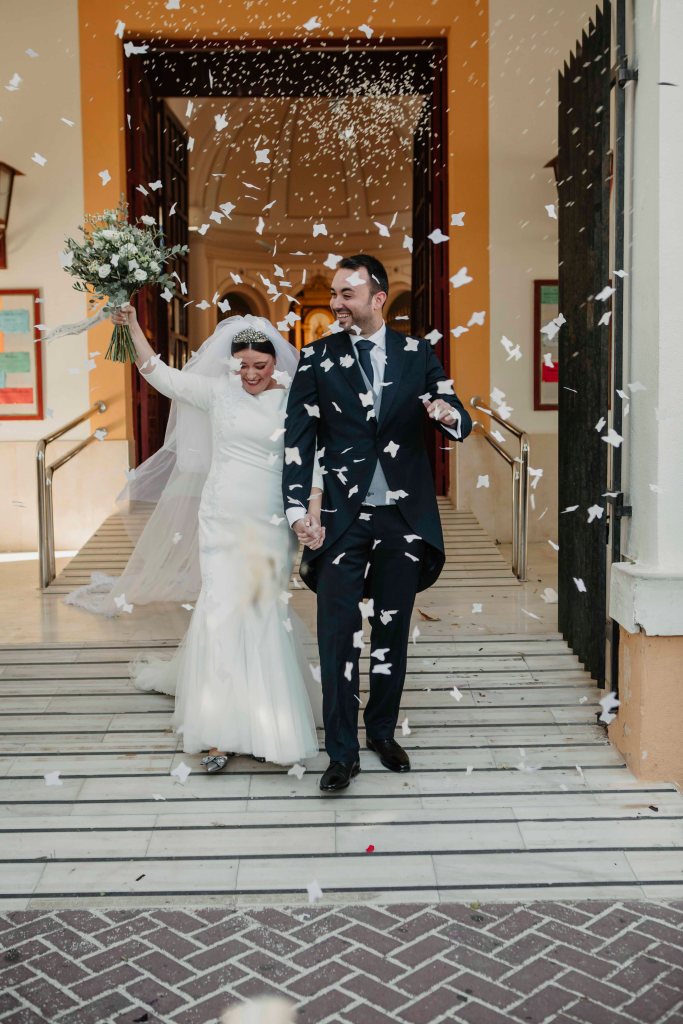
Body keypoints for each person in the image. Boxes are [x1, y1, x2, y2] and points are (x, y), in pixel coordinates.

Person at [100, 305, 325, 771]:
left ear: (276, 362)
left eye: (260, 365)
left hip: (270, 521)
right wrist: (133, 326)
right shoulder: (218, 392)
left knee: (262, 610)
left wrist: (312, 513)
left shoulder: (294, 398)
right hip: (221, 516)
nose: (250, 374)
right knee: (221, 612)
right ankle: (218, 732)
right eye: (242, 365)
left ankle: (270, 725)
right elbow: (158, 374)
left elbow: (312, 459)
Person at [282, 254, 472, 793]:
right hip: (340, 521)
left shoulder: (418, 354)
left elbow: (458, 415)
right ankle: (341, 753)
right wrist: (297, 510)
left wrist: (446, 414)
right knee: (337, 637)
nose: (336, 303)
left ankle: (382, 733)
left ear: (377, 297)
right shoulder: (316, 357)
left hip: (403, 519)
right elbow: (298, 439)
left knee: (392, 632)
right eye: (335, 294)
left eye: (346, 293)